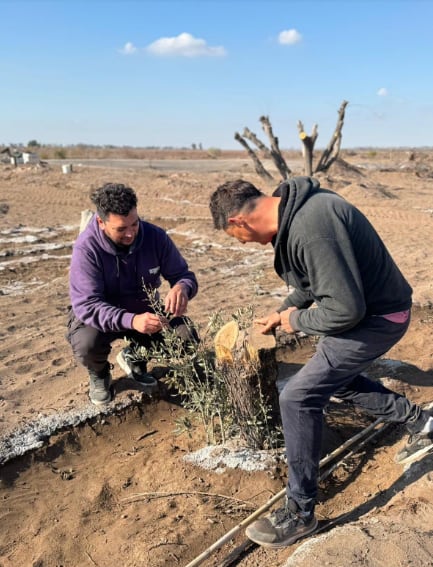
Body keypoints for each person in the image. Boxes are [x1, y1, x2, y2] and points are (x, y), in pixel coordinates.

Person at [209, 176, 433, 548]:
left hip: (380, 319)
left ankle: (299, 514)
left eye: (235, 238)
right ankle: (420, 422)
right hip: (372, 314)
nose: (241, 244)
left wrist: (292, 321)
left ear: (237, 223)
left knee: (297, 397)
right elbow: (316, 282)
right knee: (333, 379)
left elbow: (345, 308)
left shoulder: (311, 226)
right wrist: (283, 309)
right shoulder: (298, 212)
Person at [67, 182, 198, 406]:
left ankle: (134, 357)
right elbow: (88, 306)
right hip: (99, 317)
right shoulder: (86, 249)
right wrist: (132, 320)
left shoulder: (155, 237)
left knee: (186, 338)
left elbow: (184, 275)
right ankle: (99, 374)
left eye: (134, 224)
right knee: (86, 343)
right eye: (121, 229)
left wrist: (181, 288)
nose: (130, 234)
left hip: (143, 309)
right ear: (101, 222)